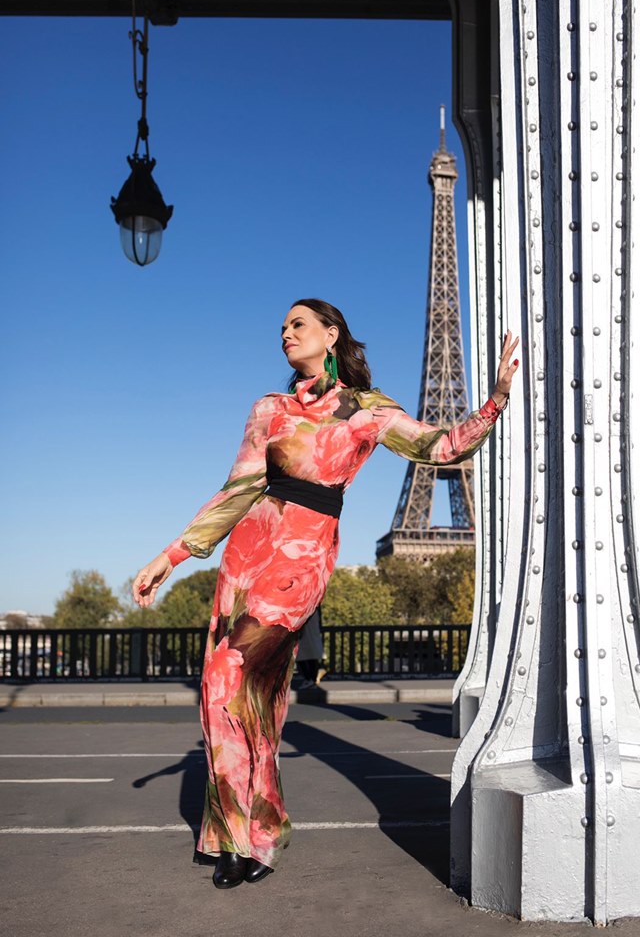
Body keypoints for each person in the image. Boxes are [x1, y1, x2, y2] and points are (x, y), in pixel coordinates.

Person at [132, 299, 519, 889]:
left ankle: (254, 829)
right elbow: (236, 491)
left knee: (242, 684)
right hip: (247, 554)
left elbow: (442, 448)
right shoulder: (270, 408)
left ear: (330, 335)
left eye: (298, 324)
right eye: (282, 327)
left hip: (301, 561)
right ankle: (242, 835)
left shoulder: (367, 410)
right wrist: (171, 555)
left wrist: (494, 400)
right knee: (224, 695)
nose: (286, 333)